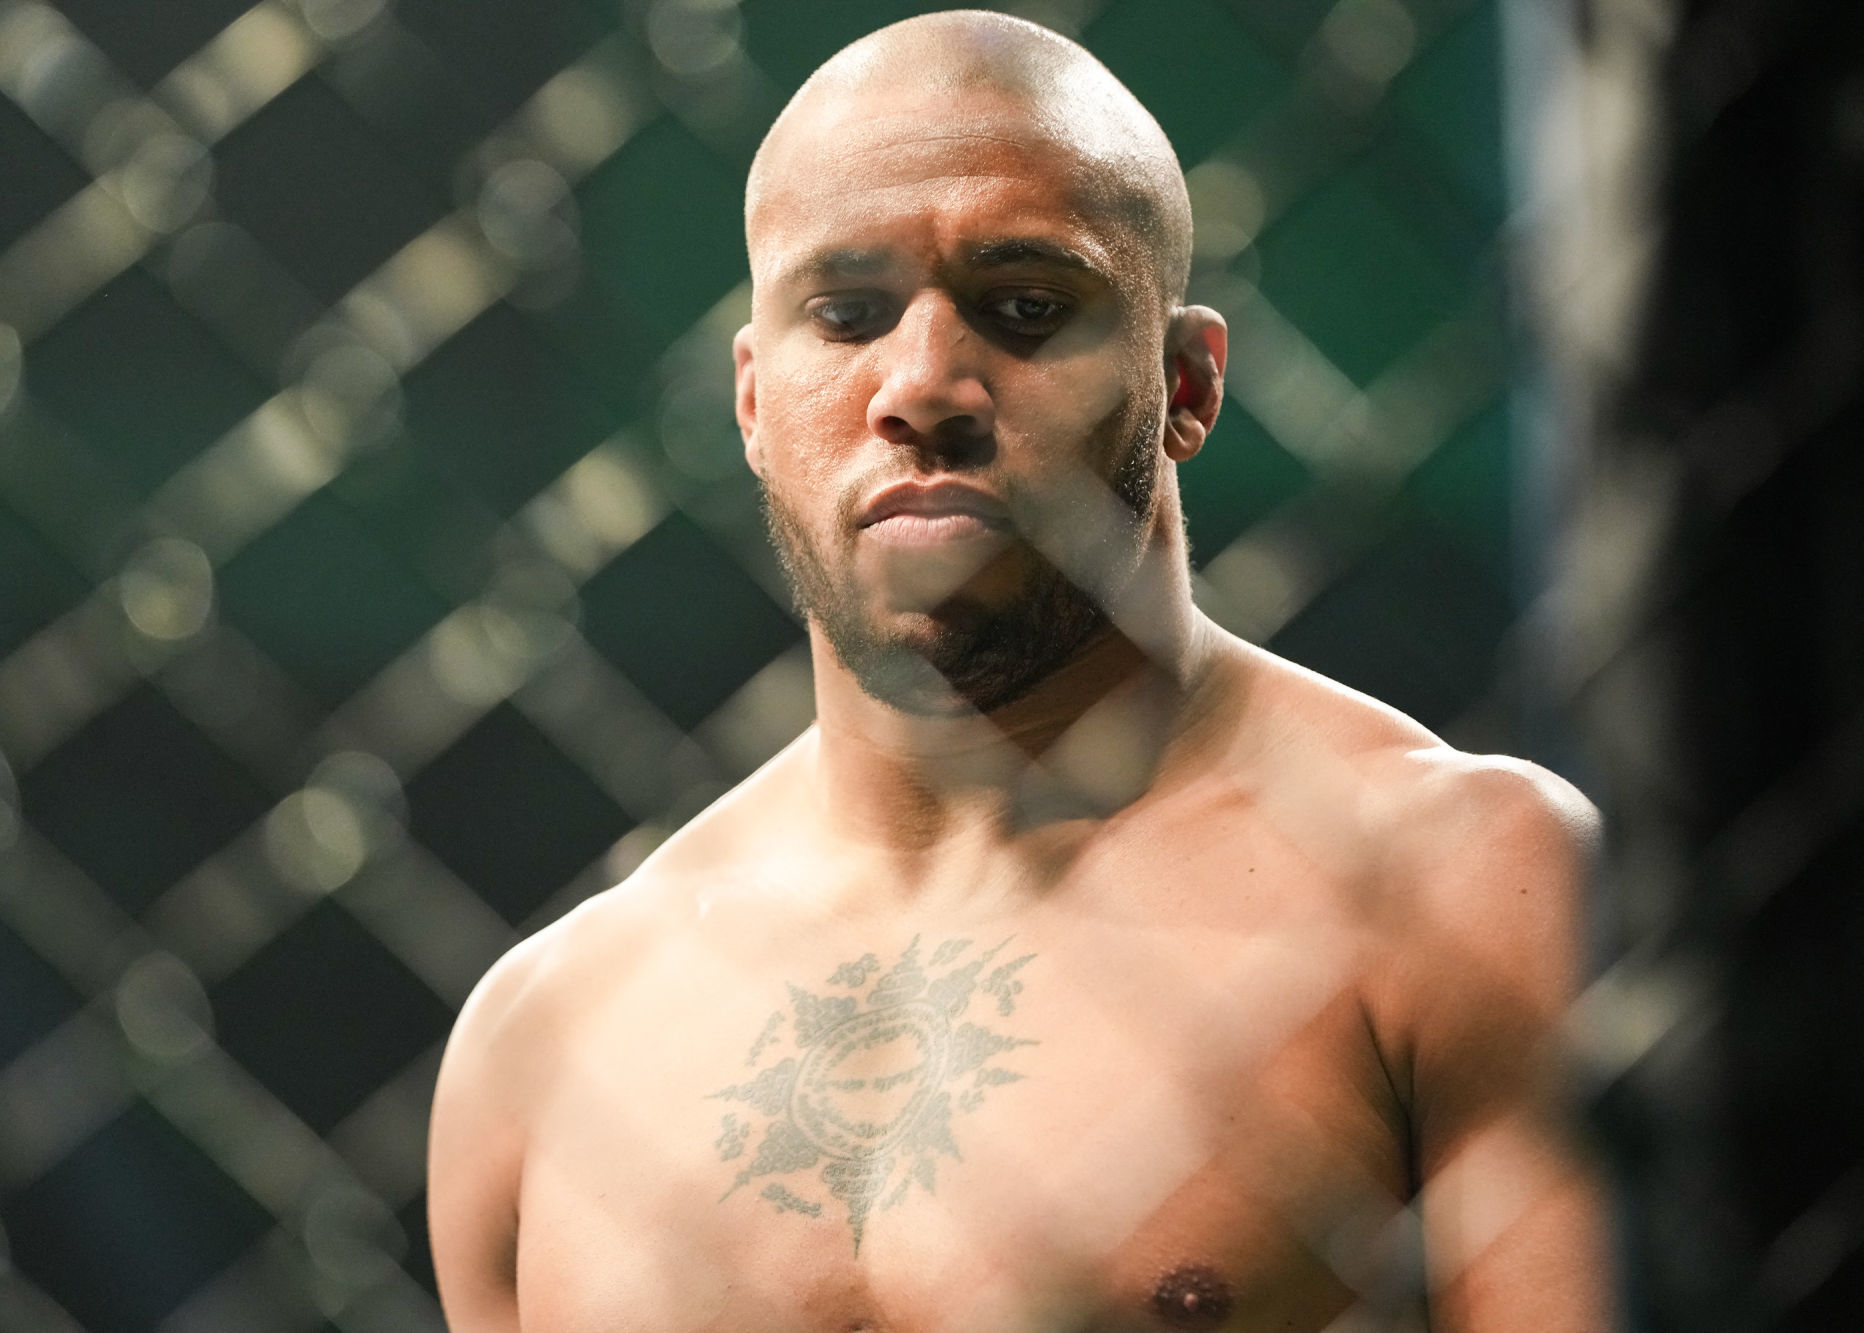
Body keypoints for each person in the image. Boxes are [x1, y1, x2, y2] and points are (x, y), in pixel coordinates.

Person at [428, 11, 1611, 1330]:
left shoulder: (1460, 884)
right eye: (847, 313)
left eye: (1027, 307)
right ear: (754, 402)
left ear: (1186, 384)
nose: (924, 386)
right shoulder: (547, 1036)